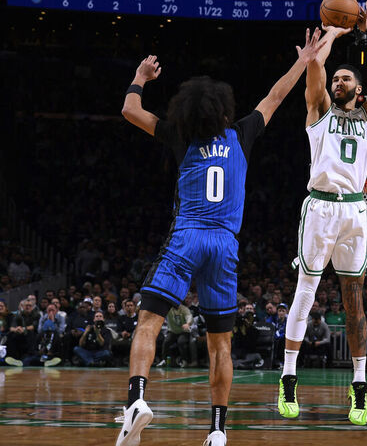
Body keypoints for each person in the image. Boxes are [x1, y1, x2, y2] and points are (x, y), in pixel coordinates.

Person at [114, 27, 322, 446]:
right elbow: (276, 96)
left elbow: (130, 111)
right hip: (225, 245)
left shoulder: (180, 137)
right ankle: (217, 431)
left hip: (186, 237)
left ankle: (137, 400)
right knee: (220, 344)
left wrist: (139, 76)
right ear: (225, 112)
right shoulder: (241, 136)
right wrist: (304, 60)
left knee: (148, 323)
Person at [278, 1, 367, 426]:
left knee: (354, 304)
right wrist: (332, 34)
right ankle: (288, 377)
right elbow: (315, 72)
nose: (339, 81)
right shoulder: (319, 109)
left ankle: (359, 386)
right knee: (305, 294)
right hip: (320, 208)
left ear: (359, 90)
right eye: (337, 78)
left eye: (347, 78)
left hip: (354, 212)